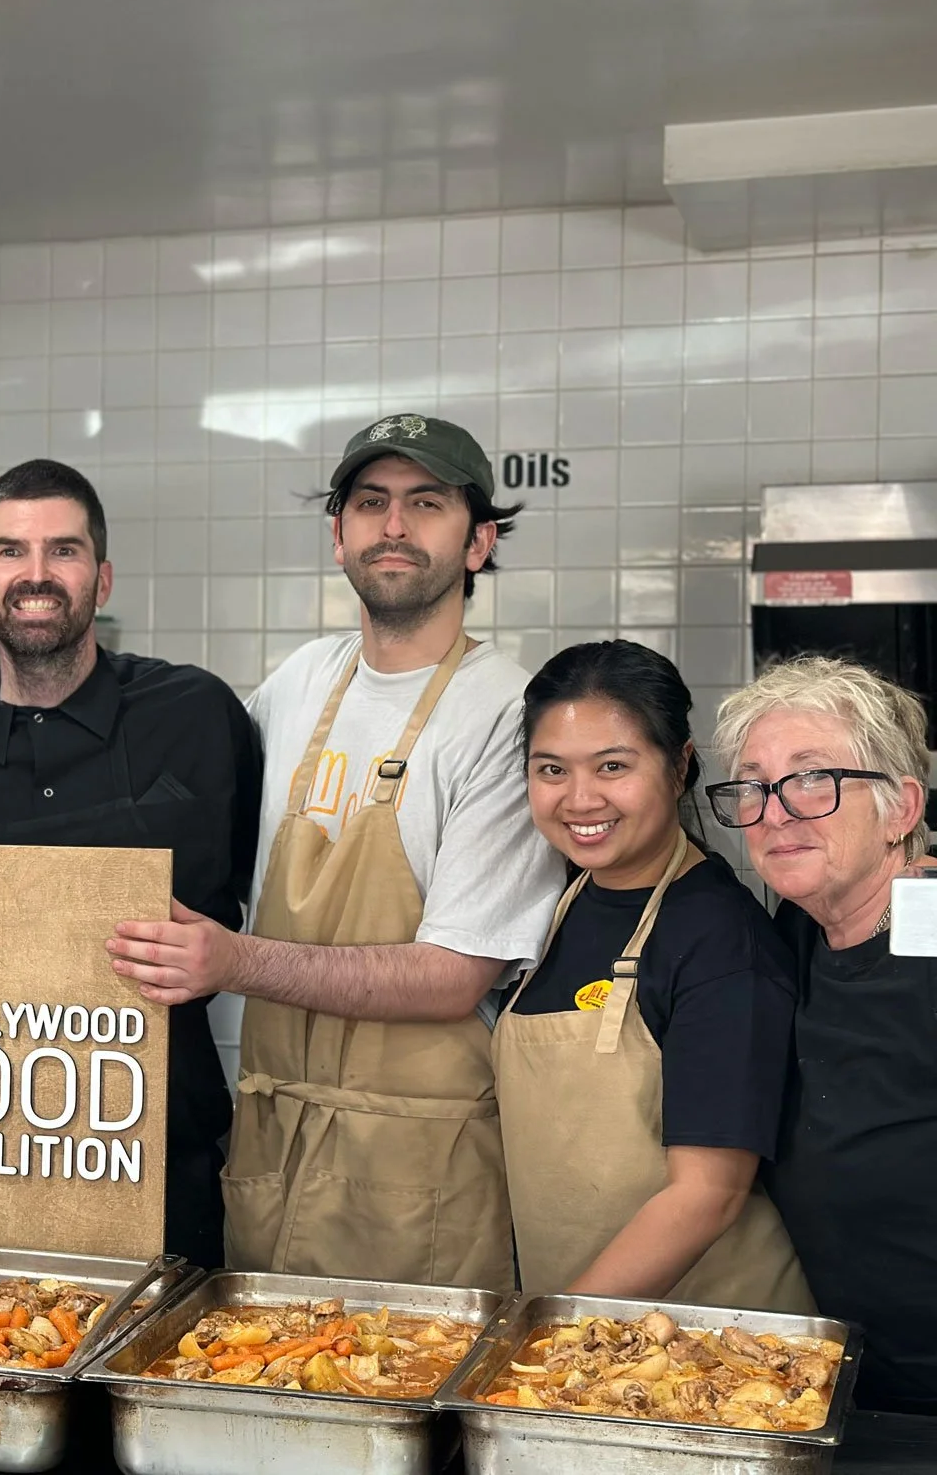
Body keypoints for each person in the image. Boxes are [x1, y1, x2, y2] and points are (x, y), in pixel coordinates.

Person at [109, 413, 563, 1290]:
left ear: (479, 543)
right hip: (274, 1141)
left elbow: (451, 977)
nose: (394, 526)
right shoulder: (302, 681)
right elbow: (168, 792)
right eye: (371, 502)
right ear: (339, 536)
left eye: (426, 504)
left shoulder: (507, 715)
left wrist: (233, 961)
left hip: (416, 1170)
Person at [0, 458, 262, 1269]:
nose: (36, 575)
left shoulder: (199, 719)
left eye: (63, 551)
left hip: (152, 1165)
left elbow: (252, 896)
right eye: (11, 552)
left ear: (102, 579)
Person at [496, 640, 809, 1310]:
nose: (579, 799)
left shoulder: (720, 939)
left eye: (613, 766)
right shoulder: (571, 902)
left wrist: (554, 1332)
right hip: (588, 1329)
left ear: (679, 768)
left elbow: (709, 1194)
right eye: (551, 769)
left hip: (709, 1344)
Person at [711, 655, 937, 1413]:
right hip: (851, 1390)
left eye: (813, 778)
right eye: (755, 784)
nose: (776, 813)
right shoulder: (798, 932)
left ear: (901, 808)